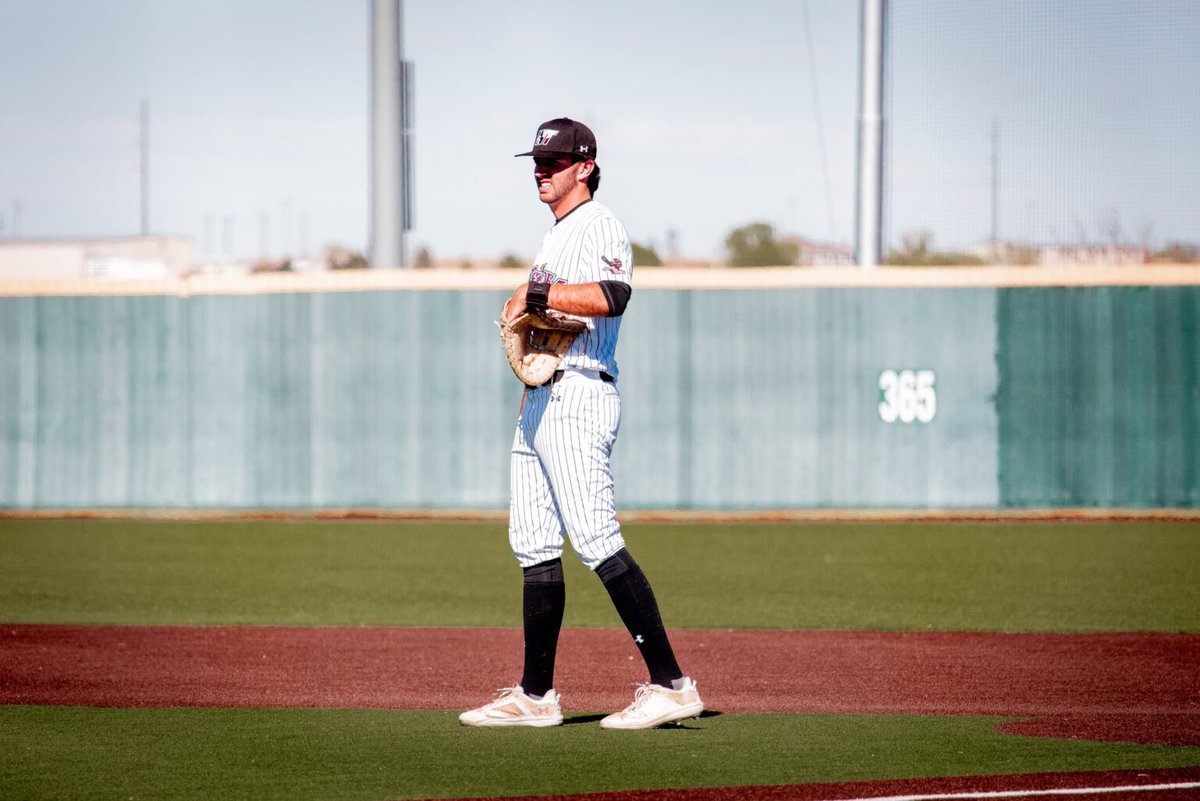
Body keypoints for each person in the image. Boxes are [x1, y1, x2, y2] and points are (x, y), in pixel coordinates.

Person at [460, 118, 703, 730]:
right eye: (537, 161)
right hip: (541, 399)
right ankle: (536, 696)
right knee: (535, 544)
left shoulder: (600, 224)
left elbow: (613, 295)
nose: (542, 170)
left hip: (582, 393)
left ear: (585, 167)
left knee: (596, 538)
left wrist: (535, 295)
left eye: (555, 161)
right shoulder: (556, 234)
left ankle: (671, 684)